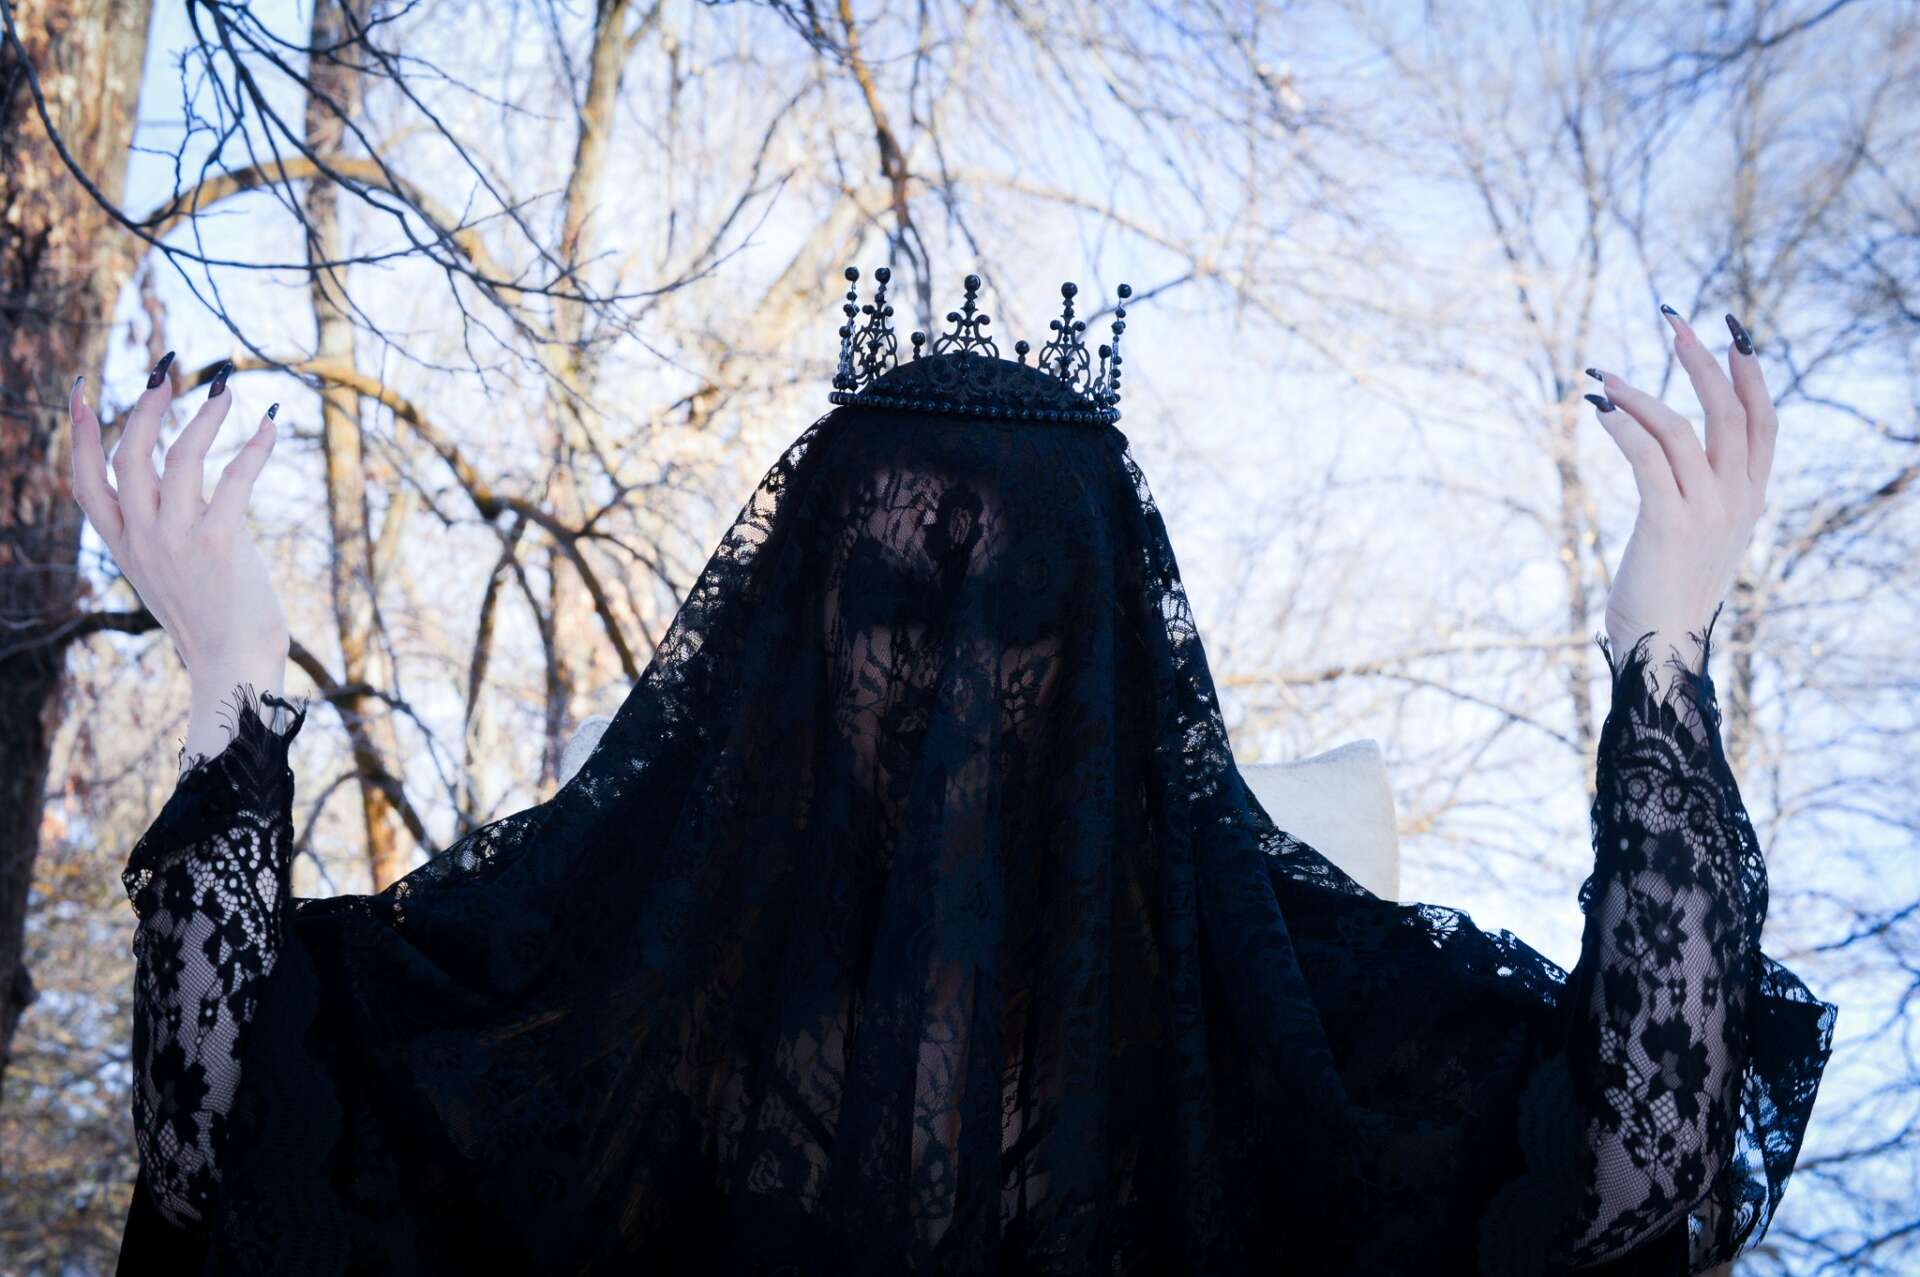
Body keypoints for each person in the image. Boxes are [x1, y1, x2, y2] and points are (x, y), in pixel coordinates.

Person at [70, 269, 1837, 1275]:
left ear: (1109, 660)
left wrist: (1662, 651)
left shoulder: (1269, 1016)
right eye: (896, 601)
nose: (953, 669)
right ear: (797, 632)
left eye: (1023, 616)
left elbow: (1627, 1169)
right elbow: (230, 1149)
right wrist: (234, 681)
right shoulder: (611, 978)